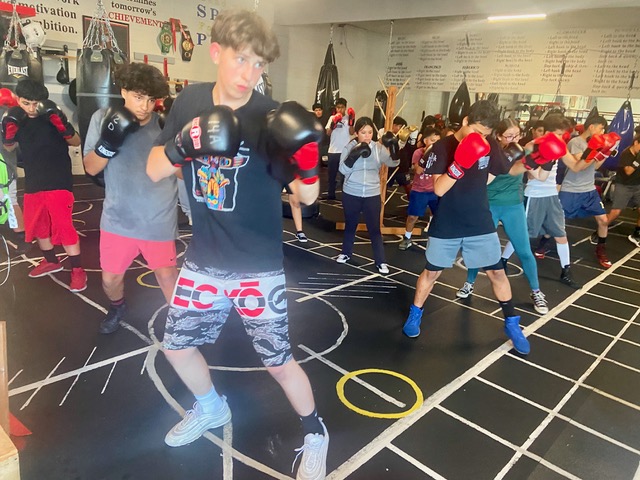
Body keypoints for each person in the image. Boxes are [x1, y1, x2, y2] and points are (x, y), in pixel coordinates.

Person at [145, 10, 328, 480]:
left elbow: (307, 197)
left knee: (279, 363)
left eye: (259, 65)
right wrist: (183, 144)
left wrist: (308, 161)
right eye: (240, 59)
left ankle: (315, 432)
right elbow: (153, 170)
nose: (249, 74)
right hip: (204, 261)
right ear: (216, 54)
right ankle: (211, 407)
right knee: (177, 346)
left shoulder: (270, 119)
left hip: (257, 265)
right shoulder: (188, 103)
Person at [401, 100, 531, 356]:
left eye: (485, 134)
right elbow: (438, 188)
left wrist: (533, 160)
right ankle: (415, 315)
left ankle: (512, 324)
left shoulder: (489, 143)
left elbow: (490, 177)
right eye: (477, 132)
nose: (480, 138)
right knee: (432, 273)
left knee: (496, 273)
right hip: (448, 220)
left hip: (478, 220)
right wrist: (460, 164)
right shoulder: (442, 147)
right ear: (465, 121)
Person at [83, 62, 177, 334]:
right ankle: (117, 306)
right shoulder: (103, 118)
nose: (145, 106)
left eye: (151, 99)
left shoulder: (164, 125)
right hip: (118, 218)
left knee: (167, 276)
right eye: (138, 97)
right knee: (110, 280)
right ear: (123, 91)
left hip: (157, 218)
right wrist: (109, 142)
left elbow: (180, 171)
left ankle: (181, 325)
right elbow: (90, 167)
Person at [455, 118, 550, 315]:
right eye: (509, 135)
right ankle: (469, 283)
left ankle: (536, 291)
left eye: (517, 135)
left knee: (524, 250)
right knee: (478, 247)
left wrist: (546, 159)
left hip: (513, 205)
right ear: (498, 136)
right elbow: (481, 182)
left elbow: (539, 176)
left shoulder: (523, 151)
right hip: (488, 204)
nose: (514, 139)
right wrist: (504, 159)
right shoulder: (488, 151)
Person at [1, 78, 86, 291]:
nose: (31, 108)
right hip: (33, 181)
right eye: (25, 103)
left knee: (64, 226)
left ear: (42, 101)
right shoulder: (16, 119)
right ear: (18, 100)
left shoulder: (50, 115)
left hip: (59, 180)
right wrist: (8, 135)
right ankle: (51, 261)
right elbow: (9, 149)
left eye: (35, 103)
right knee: (39, 227)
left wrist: (63, 125)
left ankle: (77, 270)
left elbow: (75, 142)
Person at [336, 117, 399, 274]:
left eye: (370, 132)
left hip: (372, 194)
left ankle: (381, 261)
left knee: (374, 229)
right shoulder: (349, 147)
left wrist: (395, 146)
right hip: (351, 192)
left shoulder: (378, 148)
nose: (367, 135)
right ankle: (345, 253)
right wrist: (353, 156)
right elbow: (342, 170)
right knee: (351, 224)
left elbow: (394, 163)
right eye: (363, 132)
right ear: (357, 133)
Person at [526, 114, 582, 289]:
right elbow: (530, 173)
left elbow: (576, 167)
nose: (561, 138)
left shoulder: (561, 147)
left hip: (551, 195)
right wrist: (542, 162)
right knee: (523, 234)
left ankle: (566, 270)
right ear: (548, 132)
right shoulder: (532, 146)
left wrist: (595, 154)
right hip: (534, 194)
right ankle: (503, 261)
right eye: (558, 134)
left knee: (561, 234)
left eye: (562, 135)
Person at [560, 115, 618, 269]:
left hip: (589, 189)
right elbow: (581, 166)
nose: (602, 131)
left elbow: (596, 166)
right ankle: (543, 244)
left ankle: (601, 250)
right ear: (592, 127)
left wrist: (607, 151)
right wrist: (596, 149)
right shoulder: (575, 143)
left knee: (603, 221)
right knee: (558, 222)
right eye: (601, 128)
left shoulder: (594, 144)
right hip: (571, 189)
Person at [398, 126, 440, 250]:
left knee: (438, 216)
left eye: (438, 141)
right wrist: (427, 154)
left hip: (435, 189)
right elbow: (418, 170)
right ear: (425, 140)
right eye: (433, 141)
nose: (435, 144)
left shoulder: (440, 154)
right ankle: (407, 237)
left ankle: (435, 241)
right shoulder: (418, 152)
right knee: (412, 216)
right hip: (420, 190)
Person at [604, 133, 640, 247]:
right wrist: (638, 160)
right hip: (624, 185)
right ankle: (600, 230)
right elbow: (628, 171)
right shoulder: (626, 153)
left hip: (637, 185)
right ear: (636, 143)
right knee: (616, 212)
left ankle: (636, 234)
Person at [324, 97, 354, 200]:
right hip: (333, 151)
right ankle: (330, 194)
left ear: (345, 107)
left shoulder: (348, 118)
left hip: (345, 151)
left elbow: (351, 132)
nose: (340, 110)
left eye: (342, 107)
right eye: (338, 107)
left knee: (344, 175)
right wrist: (334, 124)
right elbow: (327, 133)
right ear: (336, 108)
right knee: (331, 175)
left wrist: (351, 121)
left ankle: (345, 195)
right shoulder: (332, 118)